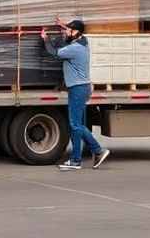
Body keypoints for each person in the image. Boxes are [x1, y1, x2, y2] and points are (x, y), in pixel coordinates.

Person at [41, 18, 111, 171]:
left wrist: (46, 39)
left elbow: (54, 52)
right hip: (81, 87)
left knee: (76, 125)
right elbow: (69, 38)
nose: (66, 33)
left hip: (78, 89)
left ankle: (97, 151)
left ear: (76, 32)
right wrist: (64, 26)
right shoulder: (83, 42)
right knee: (76, 125)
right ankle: (77, 159)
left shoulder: (75, 49)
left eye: (69, 31)